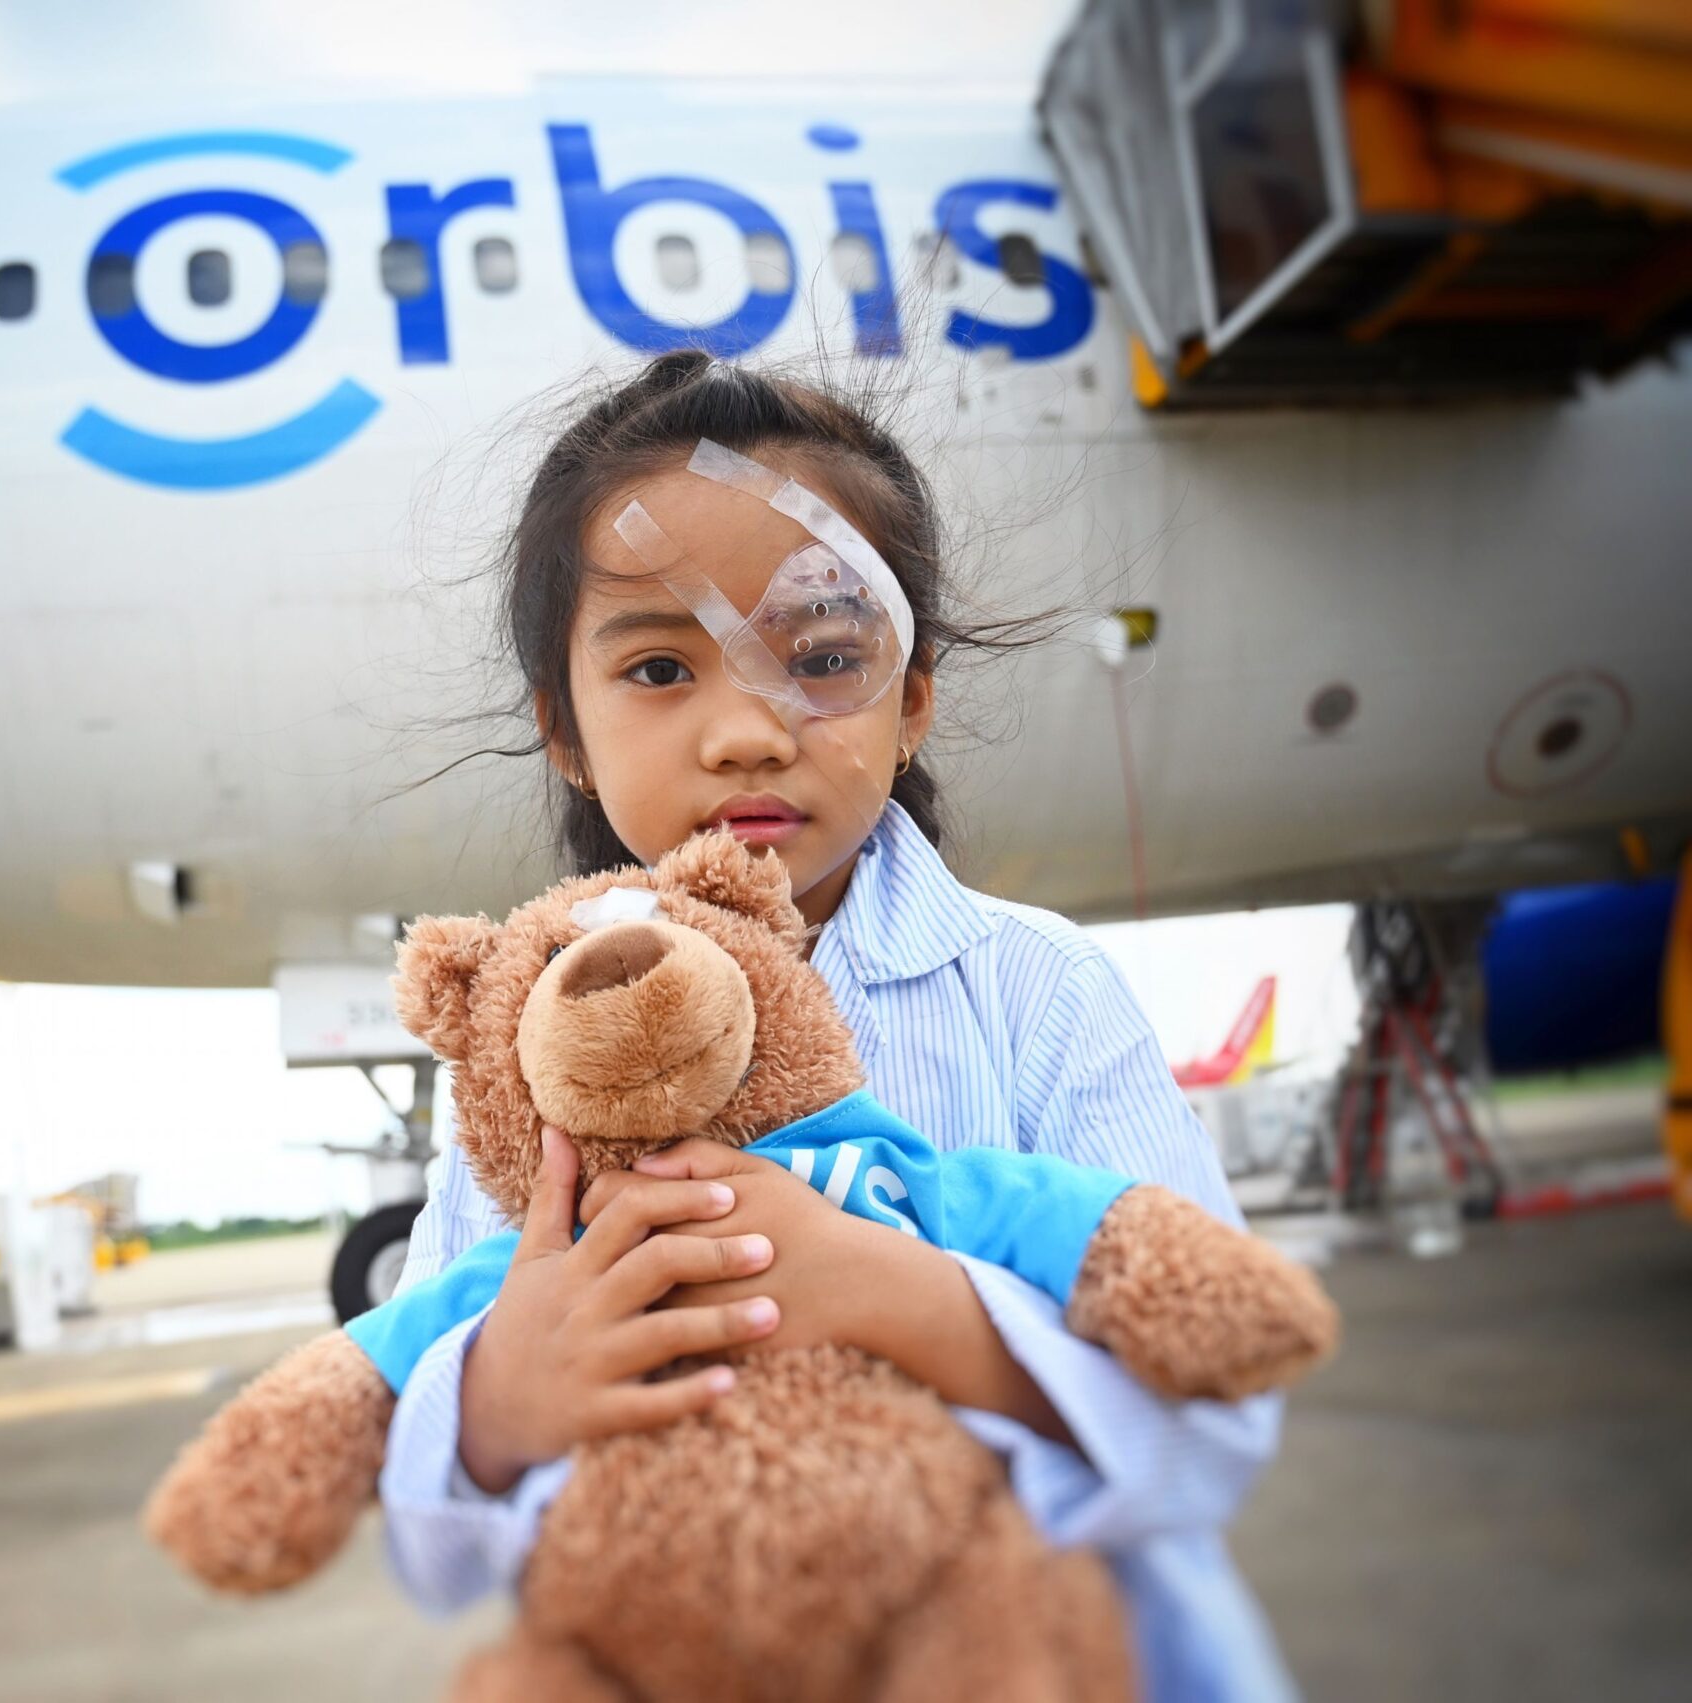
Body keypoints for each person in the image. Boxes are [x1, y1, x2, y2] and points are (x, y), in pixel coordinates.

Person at [381, 350, 1296, 1700]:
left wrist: (894, 1294)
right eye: (656, 666)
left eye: (819, 656)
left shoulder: (1035, 991)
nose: (748, 729)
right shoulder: (520, 1060)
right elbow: (423, 1505)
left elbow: (1219, 1402)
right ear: (560, 729)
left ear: (912, 698)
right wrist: (505, 1397)